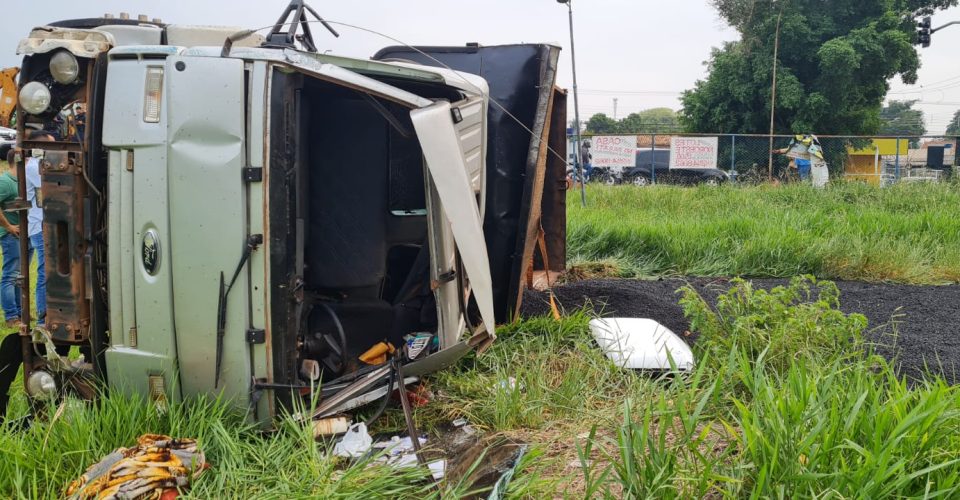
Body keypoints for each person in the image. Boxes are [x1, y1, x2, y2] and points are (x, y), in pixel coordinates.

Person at [25, 130, 53, 325]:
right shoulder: (35, 167)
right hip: (39, 224)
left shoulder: (37, 165)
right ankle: (42, 319)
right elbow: (49, 186)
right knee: (44, 271)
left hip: (44, 223)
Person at [0, 149, 22, 328]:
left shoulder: (23, 181)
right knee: (10, 276)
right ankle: (11, 316)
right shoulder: (5, 182)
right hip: (11, 236)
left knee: (19, 276)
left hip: (24, 235)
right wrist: (8, 227)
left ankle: (20, 313)